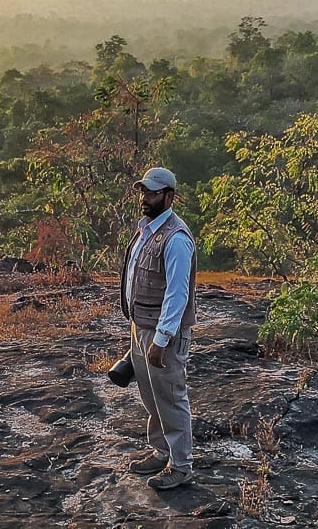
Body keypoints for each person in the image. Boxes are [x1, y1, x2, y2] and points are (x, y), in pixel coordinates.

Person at [120, 167, 196, 490]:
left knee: (170, 397)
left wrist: (162, 339)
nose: (145, 198)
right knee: (151, 396)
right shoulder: (147, 231)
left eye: (151, 193)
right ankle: (160, 450)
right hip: (142, 327)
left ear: (169, 196)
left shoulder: (176, 239)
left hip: (162, 333)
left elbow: (178, 294)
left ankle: (181, 466)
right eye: (143, 192)